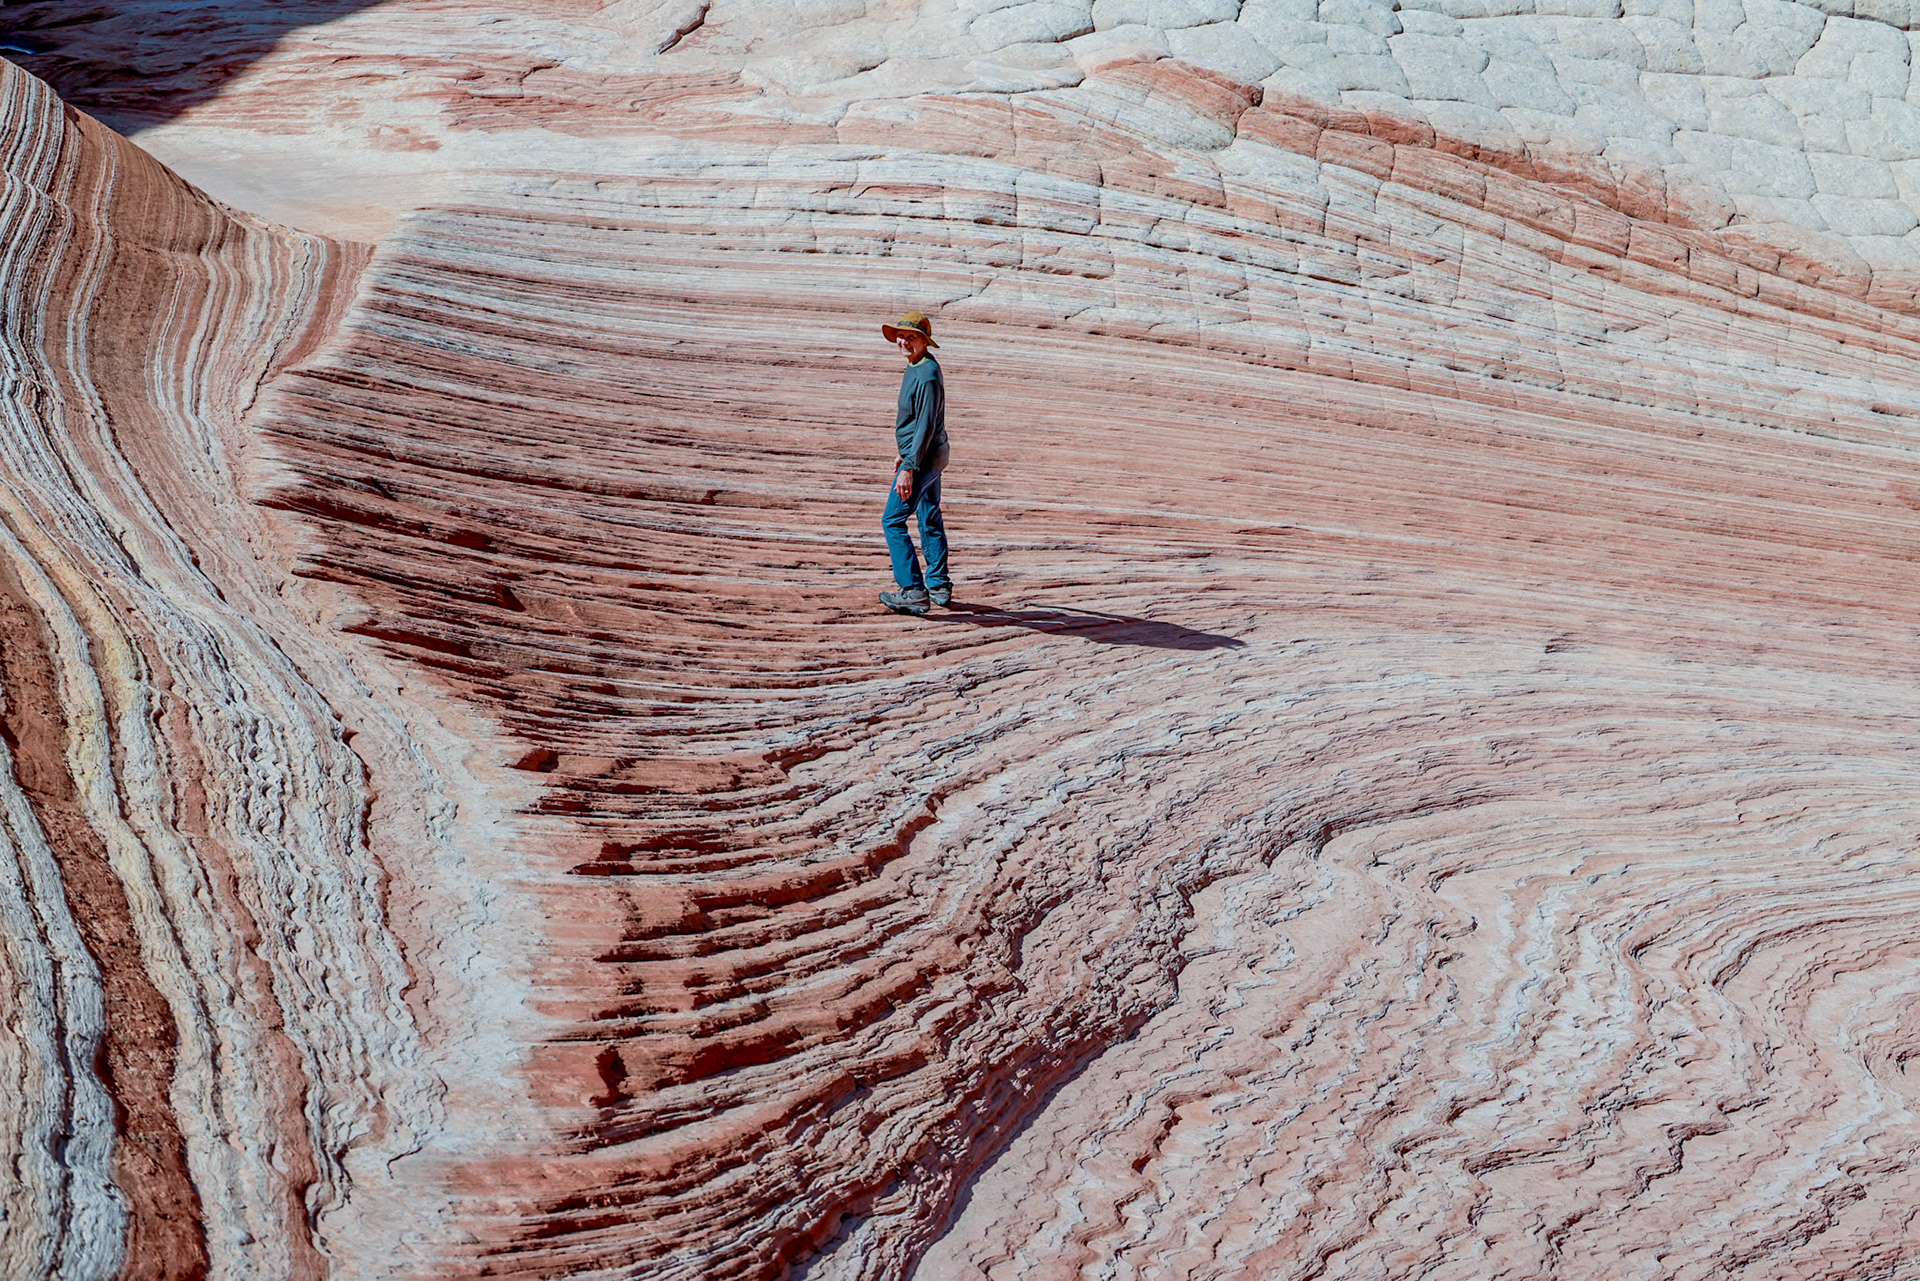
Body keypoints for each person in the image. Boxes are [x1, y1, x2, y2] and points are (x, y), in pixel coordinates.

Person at [877, 311, 952, 616]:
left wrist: (909, 466)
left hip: (924, 460)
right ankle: (938, 584)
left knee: (893, 520)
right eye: (901, 336)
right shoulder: (918, 366)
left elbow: (926, 425)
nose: (904, 342)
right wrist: (905, 452)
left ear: (924, 341)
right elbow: (919, 422)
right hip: (929, 455)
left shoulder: (927, 375)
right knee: (928, 512)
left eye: (911, 337)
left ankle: (913, 591)